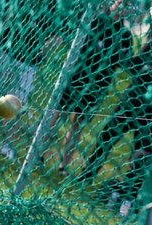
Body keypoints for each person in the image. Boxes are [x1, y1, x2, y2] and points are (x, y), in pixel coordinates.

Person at [77, 24, 152, 216]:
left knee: (141, 156)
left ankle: (127, 198)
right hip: (132, 102)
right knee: (107, 137)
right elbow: (134, 66)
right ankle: (86, 177)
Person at [44, 0, 133, 174]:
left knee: (77, 125)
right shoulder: (95, 20)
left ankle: (64, 166)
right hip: (76, 77)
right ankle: (40, 153)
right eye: (120, 2)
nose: (122, 7)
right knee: (57, 115)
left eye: (127, 5)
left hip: (97, 85)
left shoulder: (124, 35)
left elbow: (125, 62)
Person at [0, 0, 62, 161]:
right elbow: (6, 10)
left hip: (29, 61)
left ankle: (6, 145)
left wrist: (42, 50)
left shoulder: (56, 5)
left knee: (15, 102)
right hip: (5, 50)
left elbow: (60, 33)